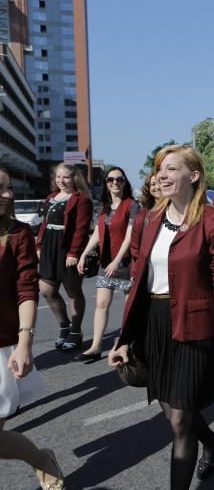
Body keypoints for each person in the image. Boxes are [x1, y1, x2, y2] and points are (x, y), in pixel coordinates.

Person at [109, 145, 214, 489]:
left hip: (195, 325)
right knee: (172, 411)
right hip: (154, 323)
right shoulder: (146, 220)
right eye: (158, 170)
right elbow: (138, 282)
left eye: (170, 169)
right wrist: (124, 339)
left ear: (193, 176)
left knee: (179, 419)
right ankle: (209, 440)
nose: (160, 175)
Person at [0, 166, 64, 490]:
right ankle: (40, 459)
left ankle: (40, 459)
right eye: (1, 189)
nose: (8, 194)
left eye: (8, 188)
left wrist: (25, 343)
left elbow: (27, 289)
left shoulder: (18, 234)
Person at [76, 167, 139, 362]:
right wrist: (84, 253)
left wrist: (118, 260)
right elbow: (97, 232)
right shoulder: (103, 207)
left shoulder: (132, 205)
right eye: (110, 179)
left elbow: (130, 235)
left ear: (124, 182)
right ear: (106, 183)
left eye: (119, 179)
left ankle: (125, 342)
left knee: (129, 306)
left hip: (125, 263)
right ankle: (95, 347)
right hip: (105, 262)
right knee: (101, 304)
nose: (115, 182)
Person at [37, 163, 93, 352]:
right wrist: (39, 245)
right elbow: (44, 223)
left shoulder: (81, 199)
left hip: (67, 247)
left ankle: (76, 332)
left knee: (73, 292)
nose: (61, 181)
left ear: (74, 178)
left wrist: (73, 252)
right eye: (58, 177)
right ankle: (65, 326)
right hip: (49, 247)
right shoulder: (51, 197)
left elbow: (81, 228)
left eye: (66, 177)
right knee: (46, 290)